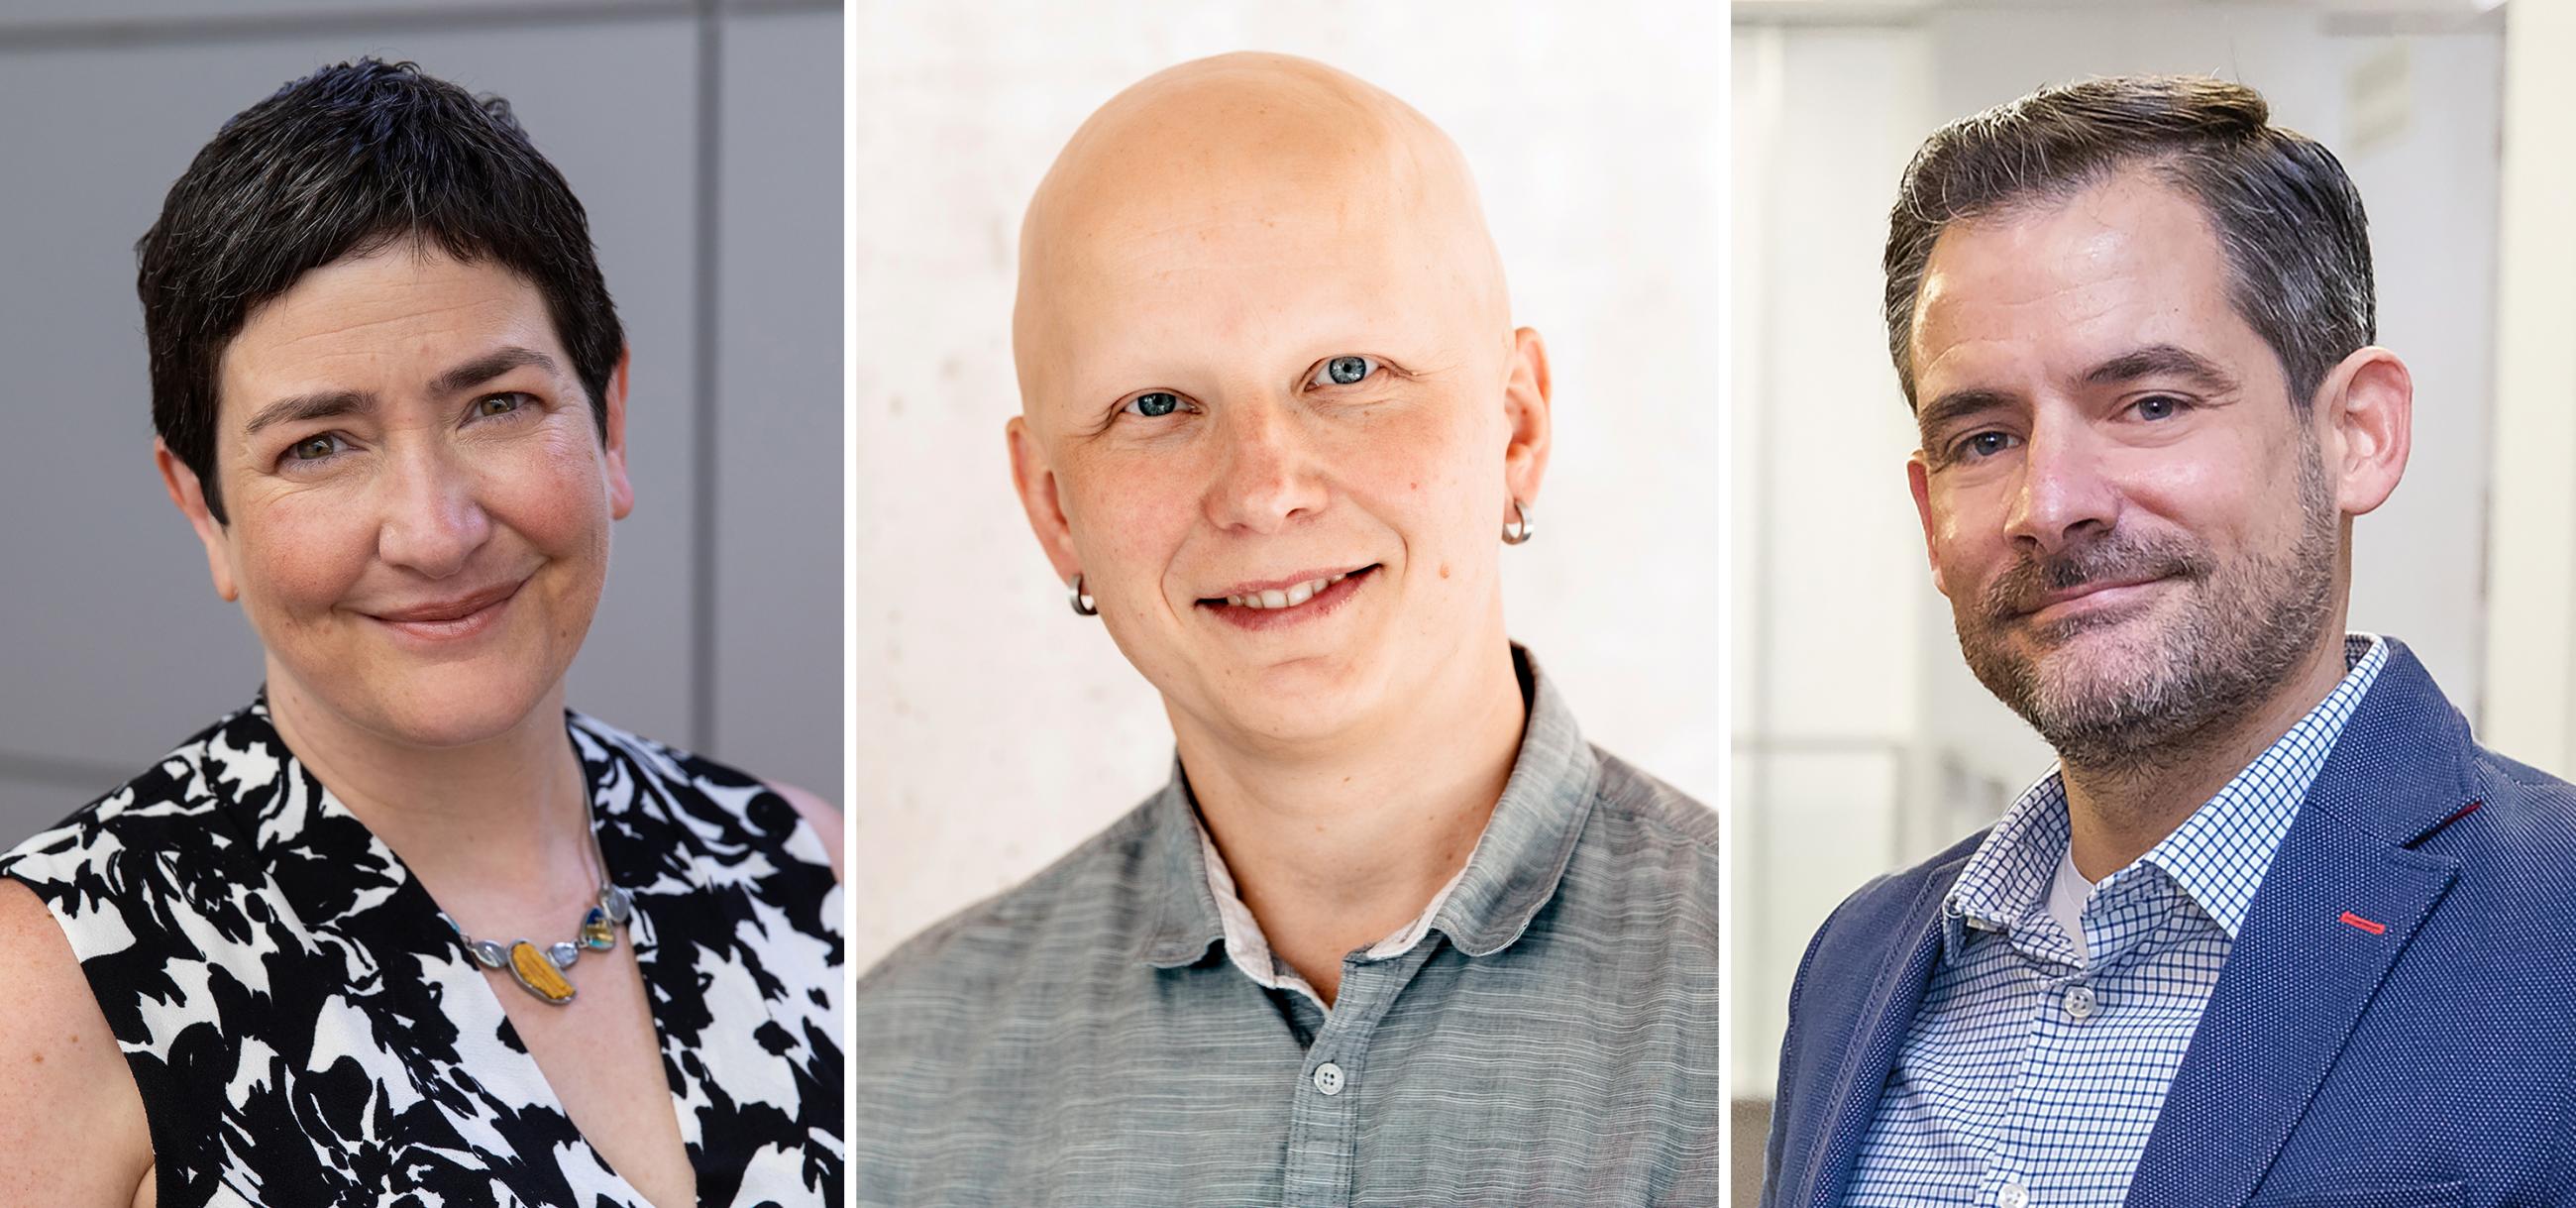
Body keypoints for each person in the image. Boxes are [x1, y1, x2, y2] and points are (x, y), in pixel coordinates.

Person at [853, 52, 1722, 1204]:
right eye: (1154, 405)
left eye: (1346, 371)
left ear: (1513, 426)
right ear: (1054, 506)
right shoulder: (891, 1074)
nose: (1262, 488)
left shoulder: (1770, 1002)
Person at [0, 60, 844, 1208]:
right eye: (319, 445)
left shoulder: (806, 870)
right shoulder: (53, 981)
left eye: (497, 406)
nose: (435, 532)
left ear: (610, 422)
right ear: (204, 509)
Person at [1763, 75, 2576, 1207]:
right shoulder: (1856, 963)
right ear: (1925, 508)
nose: (2048, 503)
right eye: (1984, 436)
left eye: (2147, 403)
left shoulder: (2553, 937)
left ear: (2356, 434)